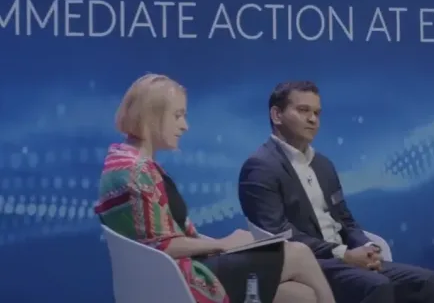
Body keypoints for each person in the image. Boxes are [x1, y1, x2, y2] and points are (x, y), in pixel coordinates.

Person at [94, 74, 336, 303]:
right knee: (300, 254)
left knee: (301, 296)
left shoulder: (122, 162)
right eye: (177, 116)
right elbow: (163, 246)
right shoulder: (137, 171)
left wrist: (233, 245)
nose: (185, 125)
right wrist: (223, 244)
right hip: (179, 279)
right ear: (152, 116)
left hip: (167, 274)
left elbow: (164, 238)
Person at [238, 80, 434, 303]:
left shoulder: (323, 165)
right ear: (277, 115)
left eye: (317, 113)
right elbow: (280, 234)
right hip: (310, 265)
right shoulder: (260, 167)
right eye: (303, 110)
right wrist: (342, 254)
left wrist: (367, 247)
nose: (313, 120)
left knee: (428, 281)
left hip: (344, 258)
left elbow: (345, 219)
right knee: (377, 286)